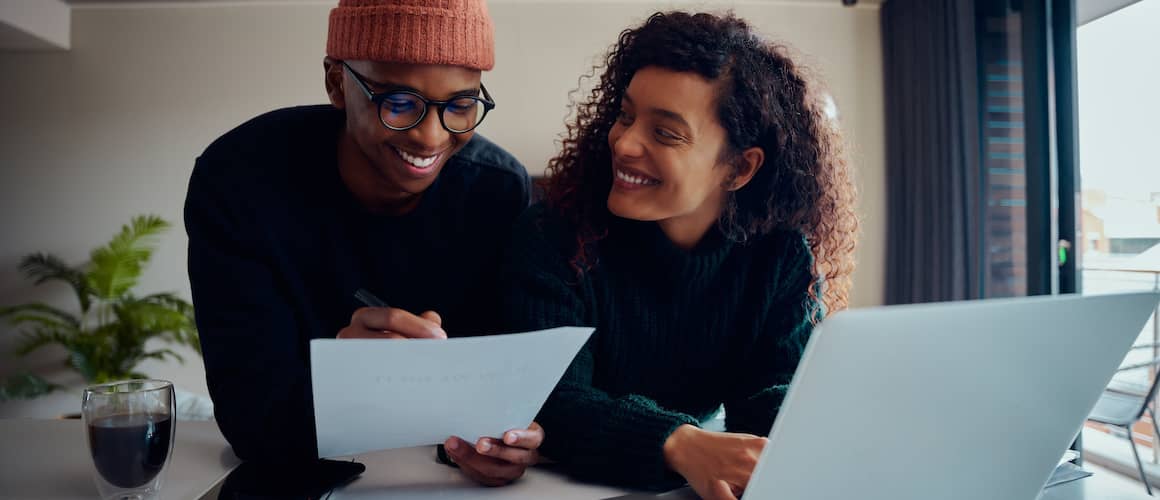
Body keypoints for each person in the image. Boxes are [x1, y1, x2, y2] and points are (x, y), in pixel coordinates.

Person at [500, 11, 859, 500]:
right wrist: (676, 442)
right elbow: (550, 399)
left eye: (665, 133)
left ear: (739, 168)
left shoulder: (780, 256)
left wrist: (809, 426)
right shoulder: (554, 236)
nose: (624, 143)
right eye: (625, 116)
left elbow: (772, 394)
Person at [185, 0, 541, 487]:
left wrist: (507, 441)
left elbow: (502, 396)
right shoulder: (239, 182)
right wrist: (342, 381)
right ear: (336, 83)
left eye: (460, 106)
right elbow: (251, 422)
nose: (430, 137)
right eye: (399, 103)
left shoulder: (497, 191)